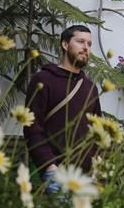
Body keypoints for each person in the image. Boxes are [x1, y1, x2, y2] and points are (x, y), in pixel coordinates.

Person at [23, 25, 101, 192]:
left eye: (89, 43)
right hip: (56, 172)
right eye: (80, 41)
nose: (85, 47)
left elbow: (97, 131)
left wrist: (93, 163)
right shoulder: (43, 79)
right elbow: (32, 126)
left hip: (84, 176)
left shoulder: (90, 87)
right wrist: (49, 165)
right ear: (65, 45)